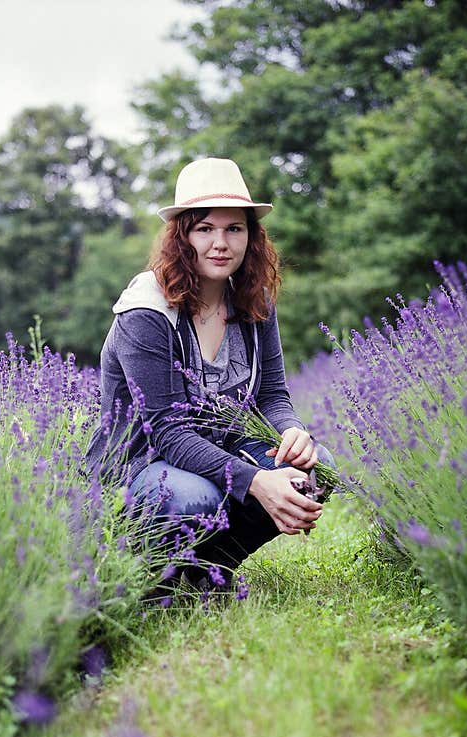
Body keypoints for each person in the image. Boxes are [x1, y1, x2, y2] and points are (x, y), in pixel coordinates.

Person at [84, 156, 334, 597]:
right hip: (142, 463)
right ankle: (151, 580)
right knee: (194, 497)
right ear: (182, 237)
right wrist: (257, 481)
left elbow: (272, 393)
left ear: (251, 237)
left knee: (318, 471)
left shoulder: (253, 300)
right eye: (205, 229)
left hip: (220, 448)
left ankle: (210, 571)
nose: (221, 243)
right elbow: (165, 430)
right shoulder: (147, 311)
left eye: (234, 229)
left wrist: (291, 429)